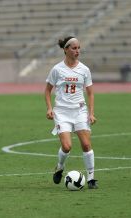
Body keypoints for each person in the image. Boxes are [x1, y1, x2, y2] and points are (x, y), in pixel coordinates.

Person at [45, 36, 98, 189]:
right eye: (74, 48)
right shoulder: (57, 69)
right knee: (67, 146)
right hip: (61, 112)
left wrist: (91, 113)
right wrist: (49, 108)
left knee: (87, 144)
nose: (77, 51)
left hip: (80, 111)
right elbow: (47, 91)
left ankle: (91, 179)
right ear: (66, 50)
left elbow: (90, 93)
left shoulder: (84, 69)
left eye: (78, 48)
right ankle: (60, 167)